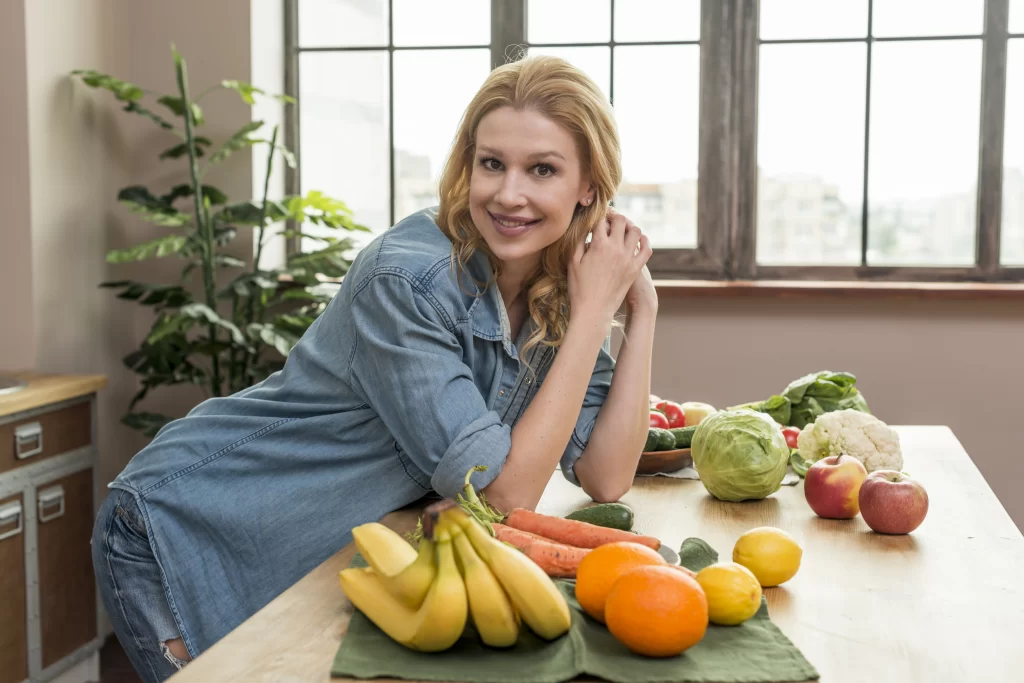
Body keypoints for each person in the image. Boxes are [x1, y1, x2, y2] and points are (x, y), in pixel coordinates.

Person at [91, 54, 658, 683]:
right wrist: (591, 318)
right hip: (186, 527)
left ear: (589, 187)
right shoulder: (406, 280)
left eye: (542, 170)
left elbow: (606, 477)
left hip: (311, 551)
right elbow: (500, 493)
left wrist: (641, 313)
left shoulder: (557, 291)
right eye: (491, 163)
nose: (508, 194)